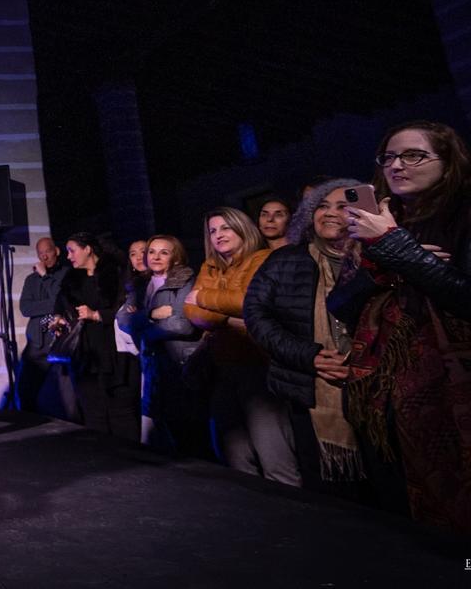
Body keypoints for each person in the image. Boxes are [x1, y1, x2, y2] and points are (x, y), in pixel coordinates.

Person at [329, 121, 471, 532]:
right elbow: (339, 304)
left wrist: (394, 244)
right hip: (384, 385)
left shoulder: (463, 214)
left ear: (449, 162)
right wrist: (379, 266)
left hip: (453, 385)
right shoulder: (377, 223)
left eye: (413, 155)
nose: (397, 165)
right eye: (389, 157)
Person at [244, 179, 367, 498]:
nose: (329, 213)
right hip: (309, 389)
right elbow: (256, 314)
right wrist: (307, 355)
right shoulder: (286, 260)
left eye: (343, 206)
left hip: (371, 393)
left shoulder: (377, 260)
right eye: (321, 206)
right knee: (324, 492)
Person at [185, 207, 299, 485]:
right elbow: (191, 313)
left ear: (242, 228)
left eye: (226, 228)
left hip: (259, 369)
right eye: (213, 231)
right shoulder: (209, 266)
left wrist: (204, 298)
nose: (218, 235)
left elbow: (246, 303)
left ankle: (297, 520)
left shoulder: (263, 259)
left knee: (275, 458)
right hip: (222, 369)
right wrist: (228, 316)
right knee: (237, 459)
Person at [116, 235, 200, 452]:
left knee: (186, 430)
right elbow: (124, 321)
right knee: (159, 428)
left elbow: (183, 325)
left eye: (164, 252)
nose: (156, 257)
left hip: (180, 363)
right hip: (153, 364)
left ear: (176, 257)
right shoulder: (140, 285)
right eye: (152, 251)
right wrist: (153, 314)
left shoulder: (184, 281)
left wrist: (144, 329)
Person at [51, 233, 139, 440]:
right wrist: (58, 320)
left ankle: (130, 458)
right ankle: (102, 457)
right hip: (85, 352)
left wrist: (97, 315)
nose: (69, 256)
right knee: (92, 410)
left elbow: (127, 307)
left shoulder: (115, 273)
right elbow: (59, 307)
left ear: (88, 249)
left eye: (72, 250)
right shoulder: (71, 279)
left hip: (114, 349)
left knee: (120, 409)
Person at [18, 237, 77, 420]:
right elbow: (26, 308)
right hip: (37, 341)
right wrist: (52, 303)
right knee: (26, 389)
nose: (44, 256)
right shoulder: (30, 280)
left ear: (56, 251)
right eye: (40, 253)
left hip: (60, 340)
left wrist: (45, 277)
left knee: (66, 394)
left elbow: (63, 301)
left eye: (48, 251)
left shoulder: (68, 274)